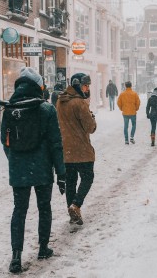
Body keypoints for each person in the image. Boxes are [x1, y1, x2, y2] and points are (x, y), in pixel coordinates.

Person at [1, 67, 66, 273]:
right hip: (42, 168)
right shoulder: (47, 109)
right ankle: (43, 247)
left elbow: (5, 141)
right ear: (38, 86)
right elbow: (56, 144)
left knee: (19, 211)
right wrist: (61, 173)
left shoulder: (10, 109)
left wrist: (15, 159)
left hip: (19, 169)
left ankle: (16, 256)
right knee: (44, 207)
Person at [57, 73, 97, 226]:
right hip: (82, 150)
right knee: (88, 178)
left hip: (66, 150)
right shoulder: (80, 103)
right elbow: (90, 127)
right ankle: (76, 204)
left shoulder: (60, 101)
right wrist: (91, 117)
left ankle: (72, 212)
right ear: (77, 84)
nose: (87, 89)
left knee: (70, 182)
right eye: (85, 85)